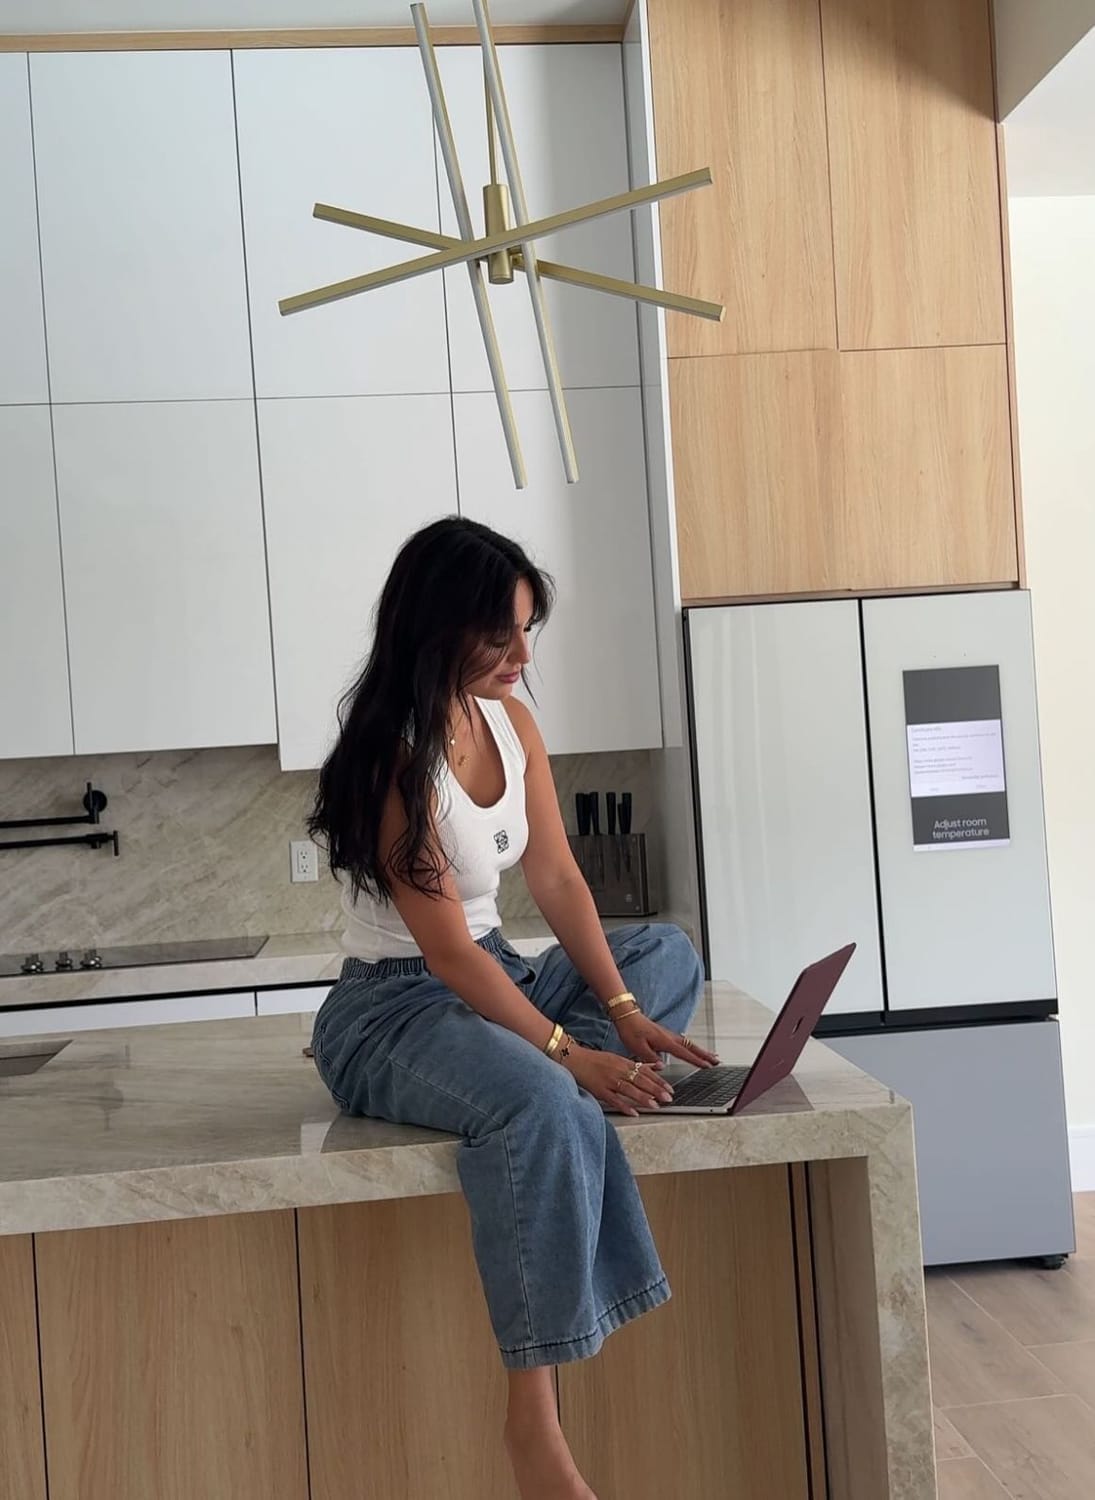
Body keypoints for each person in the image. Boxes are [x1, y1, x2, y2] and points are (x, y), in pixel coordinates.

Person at [308, 516, 715, 1500]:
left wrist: (620, 1010)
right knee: (542, 1102)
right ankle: (534, 1425)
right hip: (393, 1008)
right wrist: (568, 1055)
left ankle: (575, 1064)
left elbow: (560, 879)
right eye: (501, 637)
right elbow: (445, 952)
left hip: (497, 978)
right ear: (437, 627)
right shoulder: (392, 759)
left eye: (527, 631)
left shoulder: (511, 726)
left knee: (664, 951)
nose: (522, 658)